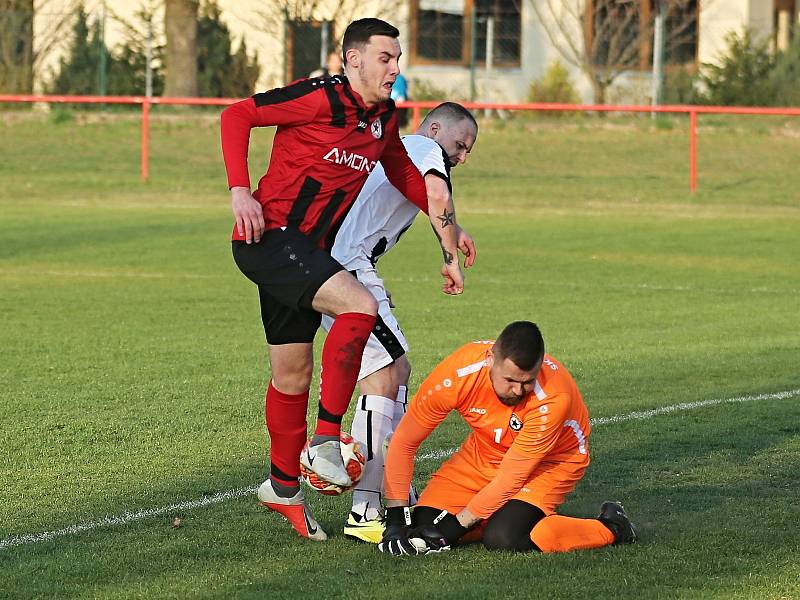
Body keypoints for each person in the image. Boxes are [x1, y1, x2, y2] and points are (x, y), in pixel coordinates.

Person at [220, 18, 463, 542]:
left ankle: (283, 488)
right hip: (270, 237)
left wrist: (450, 227)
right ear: (353, 59)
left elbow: (399, 169)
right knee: (360, 307)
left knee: (292, 376)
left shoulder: (383, 119)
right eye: (384, 58)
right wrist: (240, 191)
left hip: (306, 253)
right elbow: (237, 114)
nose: (394, 68)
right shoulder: (319, 99)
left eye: (397, 59)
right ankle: (327, 442)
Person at [319, 102, 479, 543]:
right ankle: (367, 508)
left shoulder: (408, 150)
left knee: (397, 370)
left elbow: (428, 200)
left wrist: (454, 229)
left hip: (343, 262)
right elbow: (438, 194)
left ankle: (395, 486)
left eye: (467, 152)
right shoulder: (423, 145)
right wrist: (450, 259)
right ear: (434, 127)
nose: (461, 157)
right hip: (347, 268)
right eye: (460, 145)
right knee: (384, 374)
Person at [378, 321, 637, 555]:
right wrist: (396, 518)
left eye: (528, 382)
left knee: (504, 538)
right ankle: (496, 514)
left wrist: (457, 525)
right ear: (490, 358)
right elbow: (404, 442)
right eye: (511, 380)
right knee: (425, 524)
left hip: (550, 464)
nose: (518, 390)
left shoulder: (553, 399)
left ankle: (611, 526)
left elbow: (510, 478)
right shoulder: (457, 375)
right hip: (484, 454)